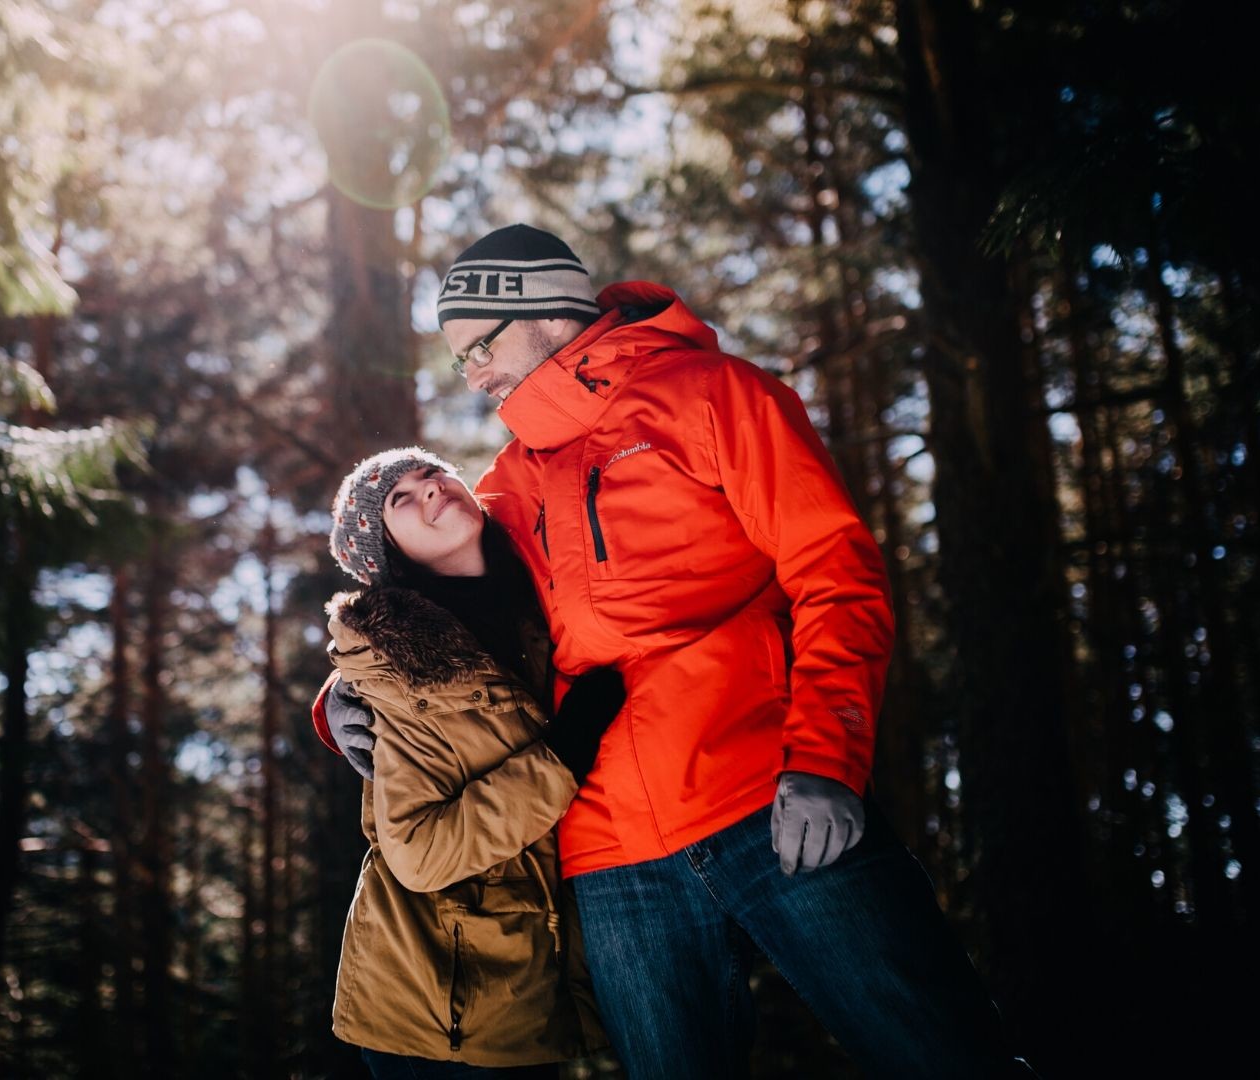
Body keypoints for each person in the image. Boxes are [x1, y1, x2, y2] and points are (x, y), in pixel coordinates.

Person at [318, 224, 1039, 1078]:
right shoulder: (507, 487)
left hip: (770, 797)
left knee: (946, 1054)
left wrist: (830, 756)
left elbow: (836, 572)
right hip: (611, 856)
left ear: (546, 312)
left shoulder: (714, 396)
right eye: (460, 360)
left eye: (480, 345)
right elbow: (435, 611)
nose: (474, 376)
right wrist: (339, 704)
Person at [317, 445, 618, 1078]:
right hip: (441, 1010)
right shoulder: (401, 672)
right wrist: (563, 754)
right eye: (401, 498)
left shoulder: (537, 598)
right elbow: (421, 851)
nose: (429, 488)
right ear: (386, 554)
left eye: (433, 473)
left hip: (528, 991)